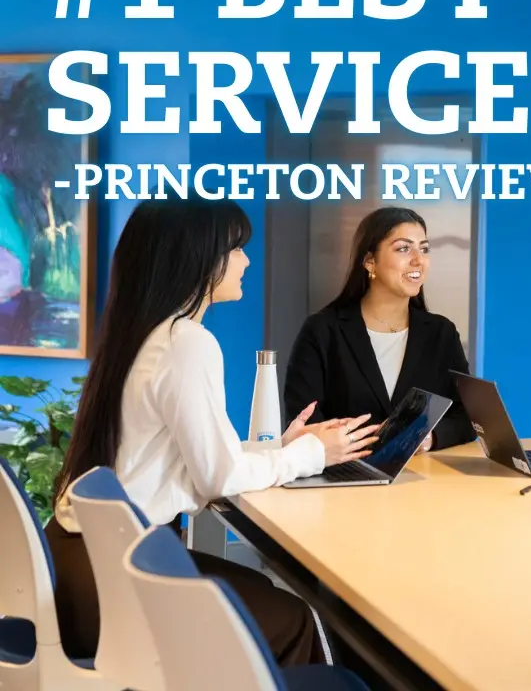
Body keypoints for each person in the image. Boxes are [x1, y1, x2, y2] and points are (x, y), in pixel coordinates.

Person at [45, 198, 378, 665]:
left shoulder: (145, 335)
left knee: (262, 591)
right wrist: (313, 455)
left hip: (77, 568)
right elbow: (218, 479)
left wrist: (281, 446)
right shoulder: (188, 344)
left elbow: (180, 451)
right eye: (237, 248)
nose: (245, 260)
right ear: (199, 259)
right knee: (295, 618)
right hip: (115, 579)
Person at [284, 206, 476, 453]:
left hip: (424, 482)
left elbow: (468, 417)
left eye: (424, 249)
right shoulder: (322, 330)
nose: (418, 260)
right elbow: (302, 421)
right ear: (370, 262)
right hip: (342, 478)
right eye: (403, 249)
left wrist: (428, 437)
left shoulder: (441, 333)